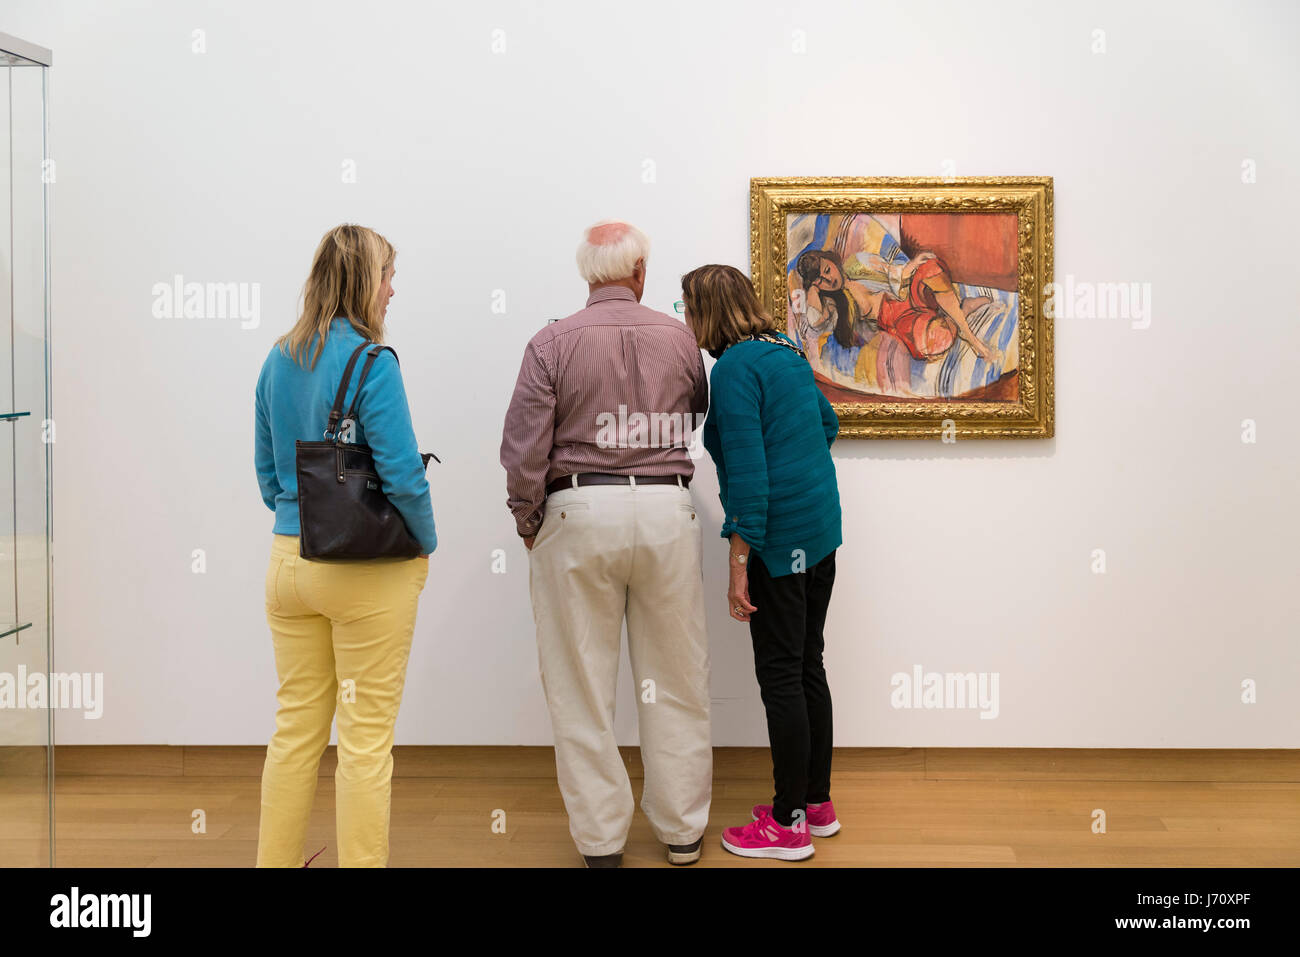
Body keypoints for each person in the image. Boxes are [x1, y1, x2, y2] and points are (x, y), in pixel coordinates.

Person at [500, 220, 712, 868]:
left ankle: (601, 843)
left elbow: (521, 448)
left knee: (581, 683)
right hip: (665, 510)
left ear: (588, 276)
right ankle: (682, 831)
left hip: (578, 508)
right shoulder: (680, 338)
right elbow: (696, 411)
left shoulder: (550, 341)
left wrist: (528, 518)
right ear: (641, 271)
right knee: (676, 675)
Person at [253, 223, 436, 867]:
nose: (393, 290)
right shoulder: (372, 363)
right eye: (387, 275)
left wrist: (294, 520)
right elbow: (403, 473)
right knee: (364, 742)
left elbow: (268, 474)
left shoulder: (277, 357)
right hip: (365, 570)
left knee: (295, 731)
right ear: (363, 281)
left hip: (287, 564)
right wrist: (426, 542)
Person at [681, 263, 842, 861]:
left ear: (707, 312)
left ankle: (787, 824)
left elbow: (746, 477)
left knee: (780, 678)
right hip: (821, 533)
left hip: (778, 543)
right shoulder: (784, 349)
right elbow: (828, 424)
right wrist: (796, 468)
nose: (687, 320)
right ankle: (815, 804)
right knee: (807, 667)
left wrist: (737, 562)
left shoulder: (735, 369)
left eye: (689, 308)